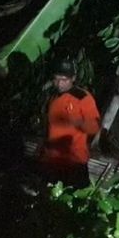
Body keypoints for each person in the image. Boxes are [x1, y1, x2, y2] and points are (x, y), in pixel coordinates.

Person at [39, 58, 100, 188]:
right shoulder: (53, 97)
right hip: (52, 160)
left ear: (73, 78)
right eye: (56, 79)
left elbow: (94, 127)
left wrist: (75, 122)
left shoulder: (83, 97)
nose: (59, 83)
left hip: (74, 161)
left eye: (64, 80)